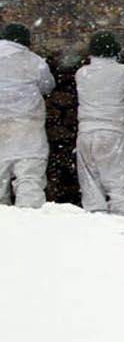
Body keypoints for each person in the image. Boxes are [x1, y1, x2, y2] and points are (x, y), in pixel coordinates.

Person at [75, 31, 124, 216]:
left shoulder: (82, 73)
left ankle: (96, 223)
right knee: (119, 186)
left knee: (91, 188)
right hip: (114, 132)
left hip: (86, 133)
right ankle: (122, 226)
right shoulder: (122, 72)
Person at [0, 23, 56, 208]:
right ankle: (29, 220)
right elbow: (48, 85)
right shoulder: (34, 61)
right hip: (26, 125)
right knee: (29, 176)